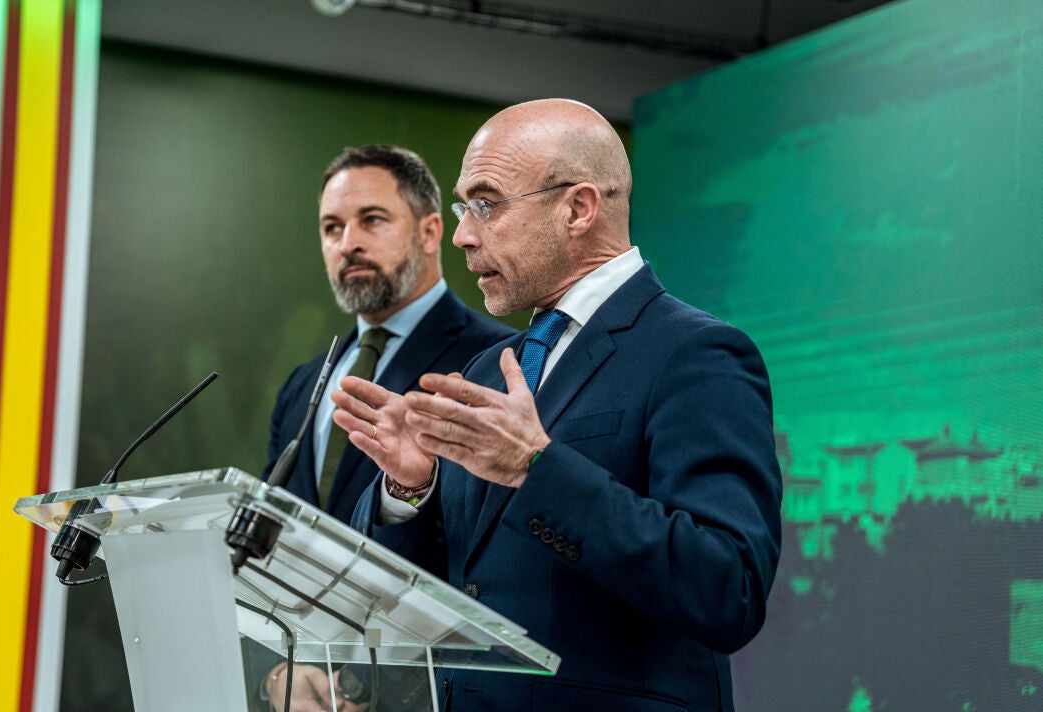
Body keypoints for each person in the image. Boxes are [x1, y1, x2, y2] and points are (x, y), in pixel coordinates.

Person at [332, 100, 783, 711]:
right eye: (464, 208)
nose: (464, 235)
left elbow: (728, 589)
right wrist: (411, 488)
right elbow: (458, 582)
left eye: (486, 204)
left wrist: (536, 467)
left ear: (578, 208)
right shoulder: (489, 369)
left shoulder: (697, 354)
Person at [255, 144, 515, 712]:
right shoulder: (302, 384)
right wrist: (278, 673)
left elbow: (488, 552)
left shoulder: (497, 362)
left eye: (371, 219)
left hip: (433, 692)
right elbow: (270, 549)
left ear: (430, 232)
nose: (348, 242)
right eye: (332, 227)